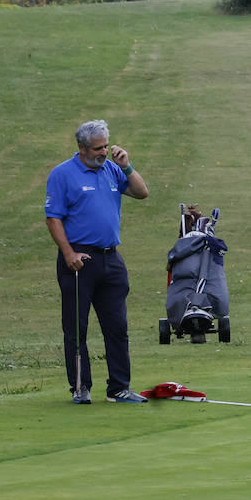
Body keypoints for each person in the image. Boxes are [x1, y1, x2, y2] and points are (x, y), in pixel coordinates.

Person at [45, 120, 150, 405]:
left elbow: (141, 192)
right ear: (82, 148)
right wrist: (68, 254)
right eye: (98, 147)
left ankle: (119, 388)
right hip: (79, 260)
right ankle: (80, 387)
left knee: (117, 327)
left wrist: (127, 165)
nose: (104, 151)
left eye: (106, 145)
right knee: (76, 328)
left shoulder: (112, 169)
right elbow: (53, 217)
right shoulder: (63, 174)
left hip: (111, 258)